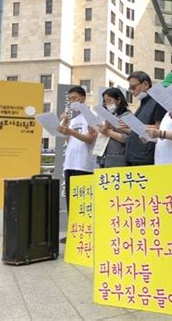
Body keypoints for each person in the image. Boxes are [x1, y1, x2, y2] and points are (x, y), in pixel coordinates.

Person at [57, 86, 97, 243]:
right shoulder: (73, 120)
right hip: (70, 163)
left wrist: (71, 132)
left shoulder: (91, 116)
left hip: (84, 164)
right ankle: (74, 232)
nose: (72, 101)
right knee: (72, 202)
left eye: (74, 98)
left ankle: (87, 233)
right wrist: (66, 128)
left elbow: (90, 139)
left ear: (83, 97)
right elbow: (70, 141)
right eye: (70, 99)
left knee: (84, 202)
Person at [123, 71, 166, 166]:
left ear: (145, 84)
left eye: (134, 87)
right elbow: (140, 129)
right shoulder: (143, 103)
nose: (132, 92)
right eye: (130, 88)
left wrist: (132, 124)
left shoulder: (158, 101)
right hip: (134, 155)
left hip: (145, 157)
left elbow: (159, 128)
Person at [95, 87, 131, 168]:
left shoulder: (127, 115)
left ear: (118, 100)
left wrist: (108, 132)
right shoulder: (109, 115)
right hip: (104, 156)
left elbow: (127, 139)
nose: (107, 104)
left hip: (117, 157)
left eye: (109, 100)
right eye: (105, 102)